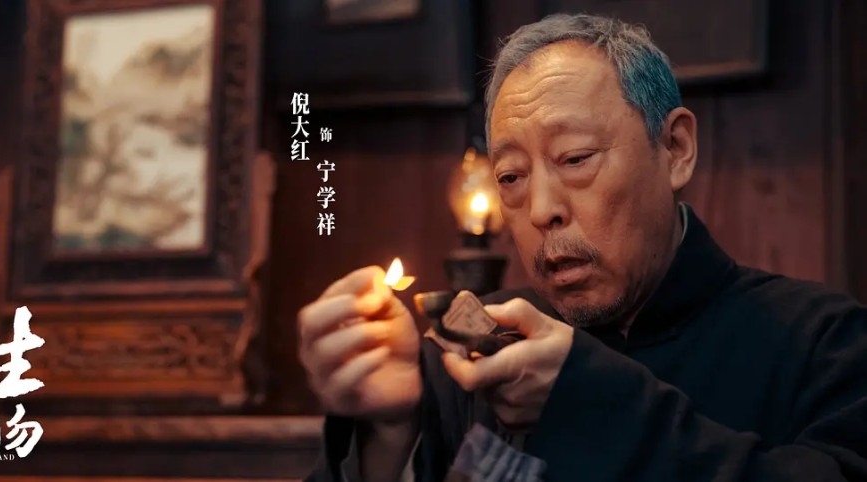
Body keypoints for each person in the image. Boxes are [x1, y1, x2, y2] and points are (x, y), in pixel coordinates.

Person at [297, 13, 867, 482]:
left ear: (675, 149)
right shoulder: (469, 353)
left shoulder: (825, 344)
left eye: (575, 159)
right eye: (511, 177)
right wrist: (389, 435)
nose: (541, 209)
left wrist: (587, 401)